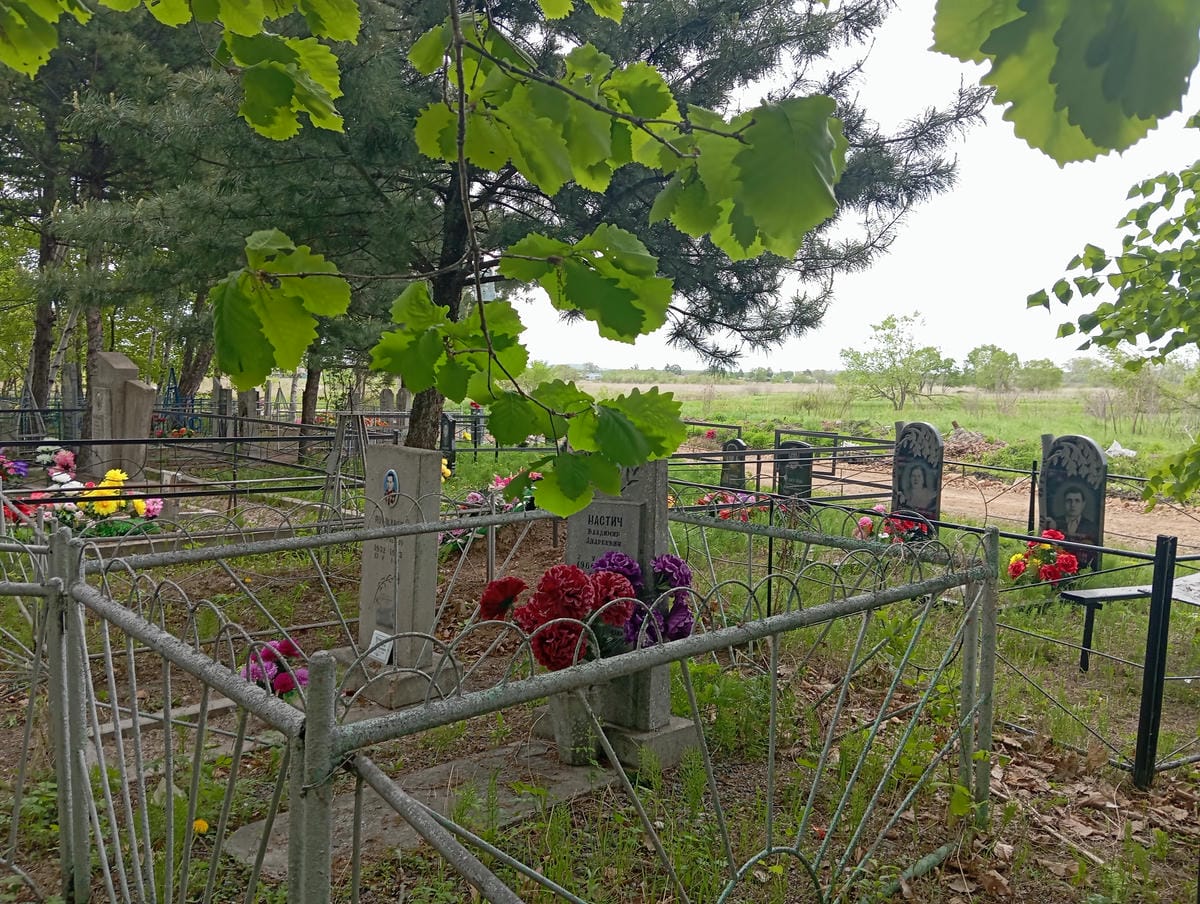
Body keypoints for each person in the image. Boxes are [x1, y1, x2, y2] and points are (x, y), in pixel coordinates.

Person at [1048, 486, 1099, 569]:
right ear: (1064, 503)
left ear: (1083, 504)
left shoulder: (1091, 527)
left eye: (1077, 501)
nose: (1073, 505)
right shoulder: (1054, 523)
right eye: (1069, 500)